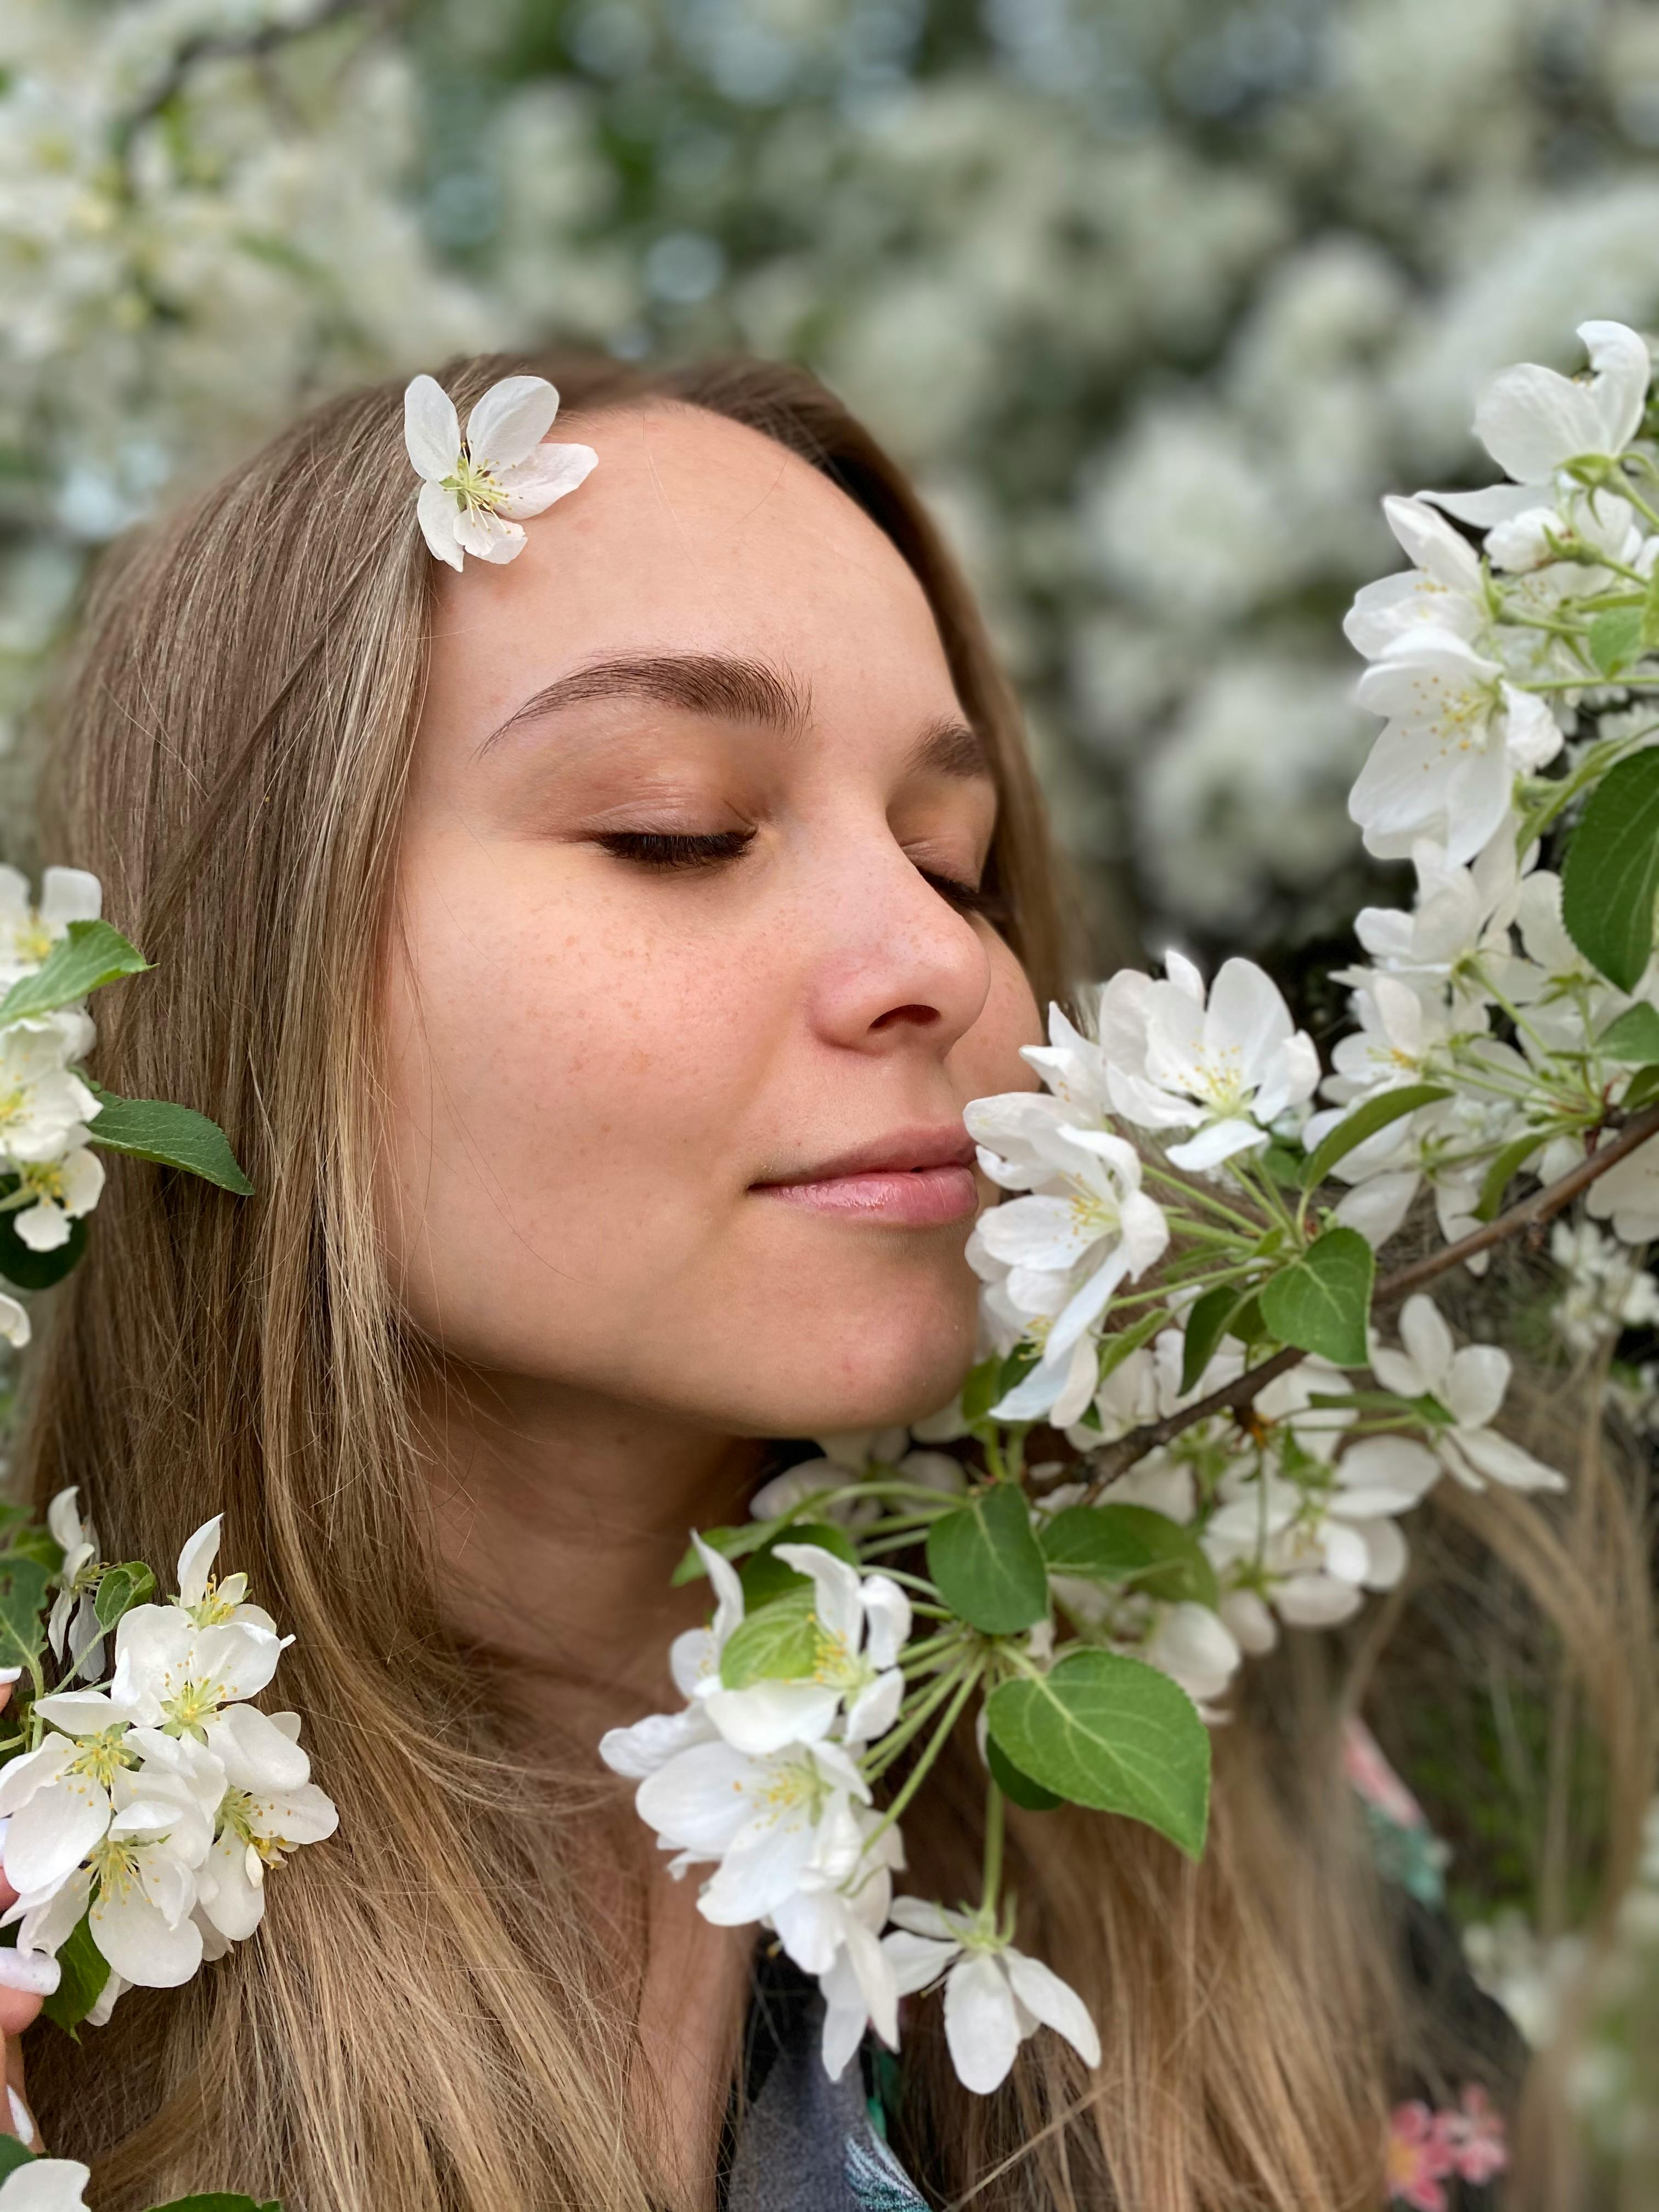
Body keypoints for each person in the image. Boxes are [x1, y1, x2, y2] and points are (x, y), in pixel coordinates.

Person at [0, 351, 1645, 2210]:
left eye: (959, 859)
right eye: (678, 829)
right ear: (240, 967)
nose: (930, 957)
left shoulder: (1227, 1855)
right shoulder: (57, 1921)